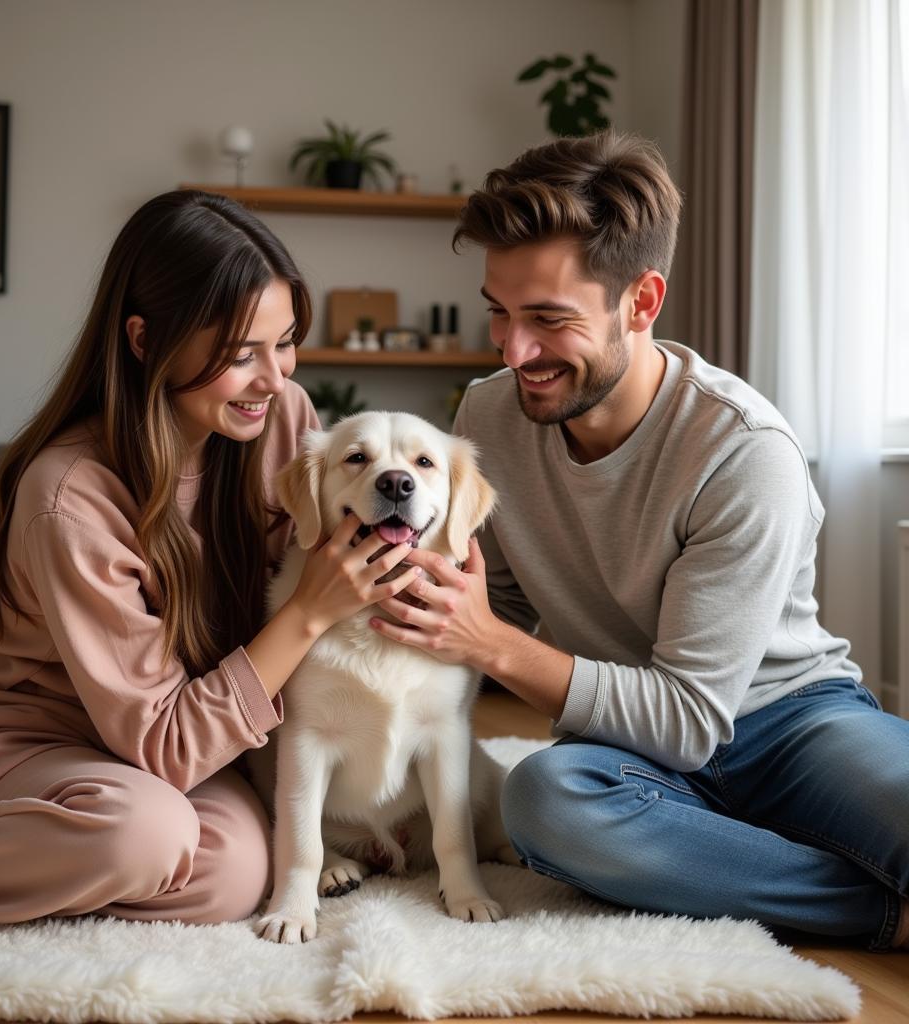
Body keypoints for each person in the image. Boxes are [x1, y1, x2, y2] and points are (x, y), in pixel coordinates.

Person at [369, 131, 909, 952]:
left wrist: (492, 644)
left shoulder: (743, 450)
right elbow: (494, 601)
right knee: (546, 802)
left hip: (790, 722)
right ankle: (881, 913)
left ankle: (730, 862)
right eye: (500, 314)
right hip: (624, 754)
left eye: (549, 320)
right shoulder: (487, 416)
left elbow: (690, 718)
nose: (516, 352)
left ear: (642, 302)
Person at [0, 189, 419, 925]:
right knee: (145, 834)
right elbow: (170, 741)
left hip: (166, 752)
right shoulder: (69, 496)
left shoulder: (280, 419)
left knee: (235, 872)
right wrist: (309, 611)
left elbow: (338, 563)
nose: (275, 377)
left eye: (286, 341)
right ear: (144, 340)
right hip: (24, 748)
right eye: (241, 354)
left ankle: (67, 866)